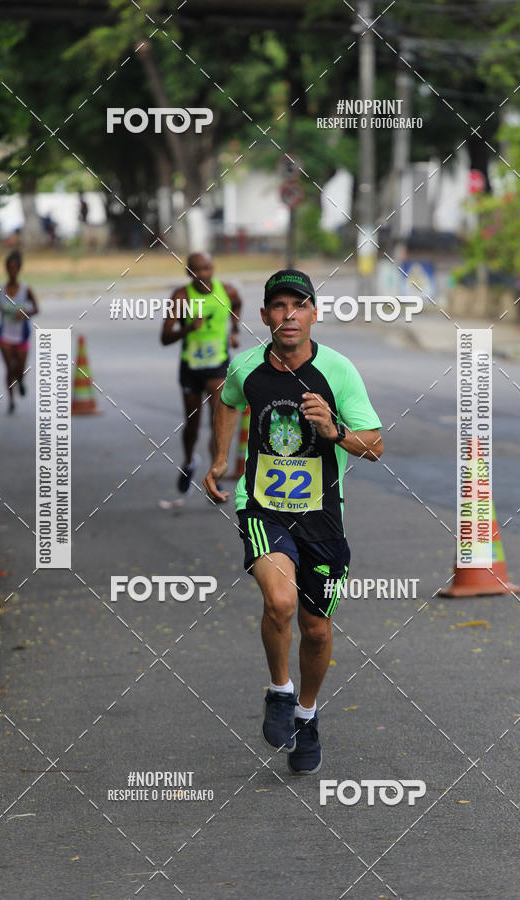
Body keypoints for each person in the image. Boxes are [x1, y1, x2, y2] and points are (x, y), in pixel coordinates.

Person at [203, 269, 383, 775]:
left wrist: (334, 428)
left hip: (323, 518)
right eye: (279, 306)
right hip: (262, 507)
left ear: (314, 314)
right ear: (265, 317)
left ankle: (307, 713)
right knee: (280, 601)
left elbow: (375, 446)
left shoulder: (339, 372)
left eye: (299, 305)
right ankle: (280, 691)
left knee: (317, 629)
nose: (289, 315)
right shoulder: (248, 368)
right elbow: (226, 398)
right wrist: (221, 458)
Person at [161, 252, 242, 494]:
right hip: (191, 368)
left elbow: (237, 305)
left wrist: (235, 329)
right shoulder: (181, 297)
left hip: (218, 365)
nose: (203, 274)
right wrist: (187, 328)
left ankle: (214, 474)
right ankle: (189, 462)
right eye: (197, 270)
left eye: (207, 268)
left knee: (217, 421)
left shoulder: (227, 291)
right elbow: (164, 337)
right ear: (188, 273)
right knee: (192, 425)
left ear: (213, 268)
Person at [0, 251, 38, 414]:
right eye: (9, 267)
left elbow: (36, 309)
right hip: (4, 335)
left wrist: (25, 313)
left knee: (20, 368)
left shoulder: (26, 289)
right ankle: (11, 400)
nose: (12, 270)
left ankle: (21, 381)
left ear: (19, 269)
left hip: (22, 335)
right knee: (9, 367)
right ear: (6, 269)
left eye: (15, 267)